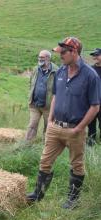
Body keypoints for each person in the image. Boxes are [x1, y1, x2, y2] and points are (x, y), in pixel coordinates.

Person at [26, 37, 100, 209]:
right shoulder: (60, 72)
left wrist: (80, 128)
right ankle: (37, 195)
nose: (60, 56)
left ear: (74, 52)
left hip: (75, 131)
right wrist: (50, 120)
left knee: (77, 164)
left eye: (63, 53)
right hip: (55, 128)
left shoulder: (91, 76)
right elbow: (56, 97)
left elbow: (95, 107)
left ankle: (72, 201)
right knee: (45, 161)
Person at [25, 50, 58, 141]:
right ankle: (27, 145)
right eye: (39, 57)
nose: (40, 59)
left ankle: (46, 146)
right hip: (35, 104)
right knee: (32, 125)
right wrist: (30, 94)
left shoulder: (56, 71)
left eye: (42, 57)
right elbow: (30, 82)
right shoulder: (36, 69)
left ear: (48, 58)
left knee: (48, 127)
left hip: (48, 106)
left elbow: (59, 88)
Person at [87, 48, 101, 146]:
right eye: (93, 55)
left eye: (97, 55)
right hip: (92, 102)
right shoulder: (90, 69)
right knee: (91, 125)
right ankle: (91, 144)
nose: (94, 57)